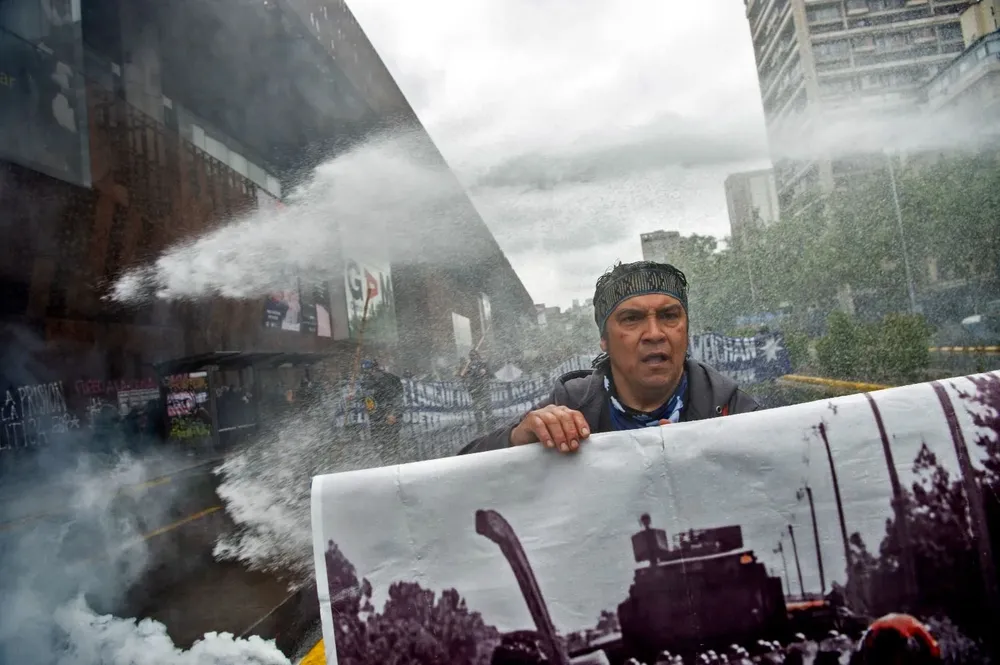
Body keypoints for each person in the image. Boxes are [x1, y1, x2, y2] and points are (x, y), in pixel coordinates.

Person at [460, 261, 759, 455]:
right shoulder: (572, 406)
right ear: (604, 339)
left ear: (686, 329)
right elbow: (455, 477)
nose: (654, 333)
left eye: (670, 316)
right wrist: (518, 440)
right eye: (632, 319)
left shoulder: (731, 410)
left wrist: (707, 457)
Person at [360, 359, 404, 456]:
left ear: (374, 368)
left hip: (388, 419)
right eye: (365, 371)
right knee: (381, 448)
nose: (368, 373)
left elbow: (395, 397)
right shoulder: (365, 382)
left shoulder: (386, 379)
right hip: (376, 420)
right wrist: (354, 397)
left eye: (370, 370)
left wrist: (392, 413)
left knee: (390, 447)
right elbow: (367, 400)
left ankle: (393, 464)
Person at [464, 349, 493, 434]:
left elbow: (490, 374)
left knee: (486, 411)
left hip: (482, 391)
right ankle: (482, 429)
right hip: (476, 392)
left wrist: (484, 371)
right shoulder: (469, 366)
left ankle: (489, 428)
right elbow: (468, 377)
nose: (473, 357)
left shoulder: (482, 364)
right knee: (479, 412)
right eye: (471, 356)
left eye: (474, 355)